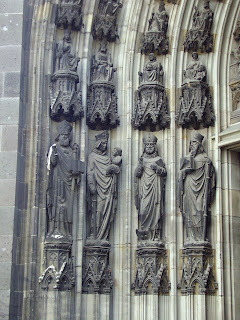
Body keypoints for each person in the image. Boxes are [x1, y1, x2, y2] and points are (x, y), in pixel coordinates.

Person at [46, 120, 83, 238]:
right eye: (63, 135)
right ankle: (55, 229)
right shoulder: (55, 148)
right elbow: (51, 163)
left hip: (68, 183)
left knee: (67, 207)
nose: (65, 138)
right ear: (59, 136)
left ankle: (66, 231)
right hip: (57, 182)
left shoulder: (72, 151)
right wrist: (54, 156)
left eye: (67, 136)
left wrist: (75, 154)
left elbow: (74, 167)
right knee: (58, 205)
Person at [178, 132, 216, 242]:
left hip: (201, 190)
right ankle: (191, 237)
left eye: (195, 143)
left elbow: (211, 178)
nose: (192, 145)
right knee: (189, 212)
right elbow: (180, 176)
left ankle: (200, 238)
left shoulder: (205, 160)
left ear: (199, 145)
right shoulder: (186, 159)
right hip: (189, 187)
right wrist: (184, 172)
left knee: (200, 210)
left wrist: (210, 168)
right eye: (191, 143)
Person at [87, 131, 121, 240]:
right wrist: (92, 185)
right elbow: (90, 172)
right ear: (98, 143)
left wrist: (113, 169)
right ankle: (94, 234)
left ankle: (103, 235)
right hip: (97, 191)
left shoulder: (107, 159)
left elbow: (113, 170)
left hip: (107, 190)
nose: (105, 145)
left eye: (106, 143)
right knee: (97, 212)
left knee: (106, 212)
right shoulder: (92, 157)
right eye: (103, 143)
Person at [135, 133, 167, 241]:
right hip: (144, 191)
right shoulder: (141, 160)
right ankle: (145, 232)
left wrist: (157, 168)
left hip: (155, 191)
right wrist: (140, 166)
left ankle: (155, 235)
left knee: (156, 212)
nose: (149, 147)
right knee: (143, 211)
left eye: (151, 145)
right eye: (147, 145)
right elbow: (137, 175)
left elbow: (164, 172)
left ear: (155, 146)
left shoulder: (158, 159)